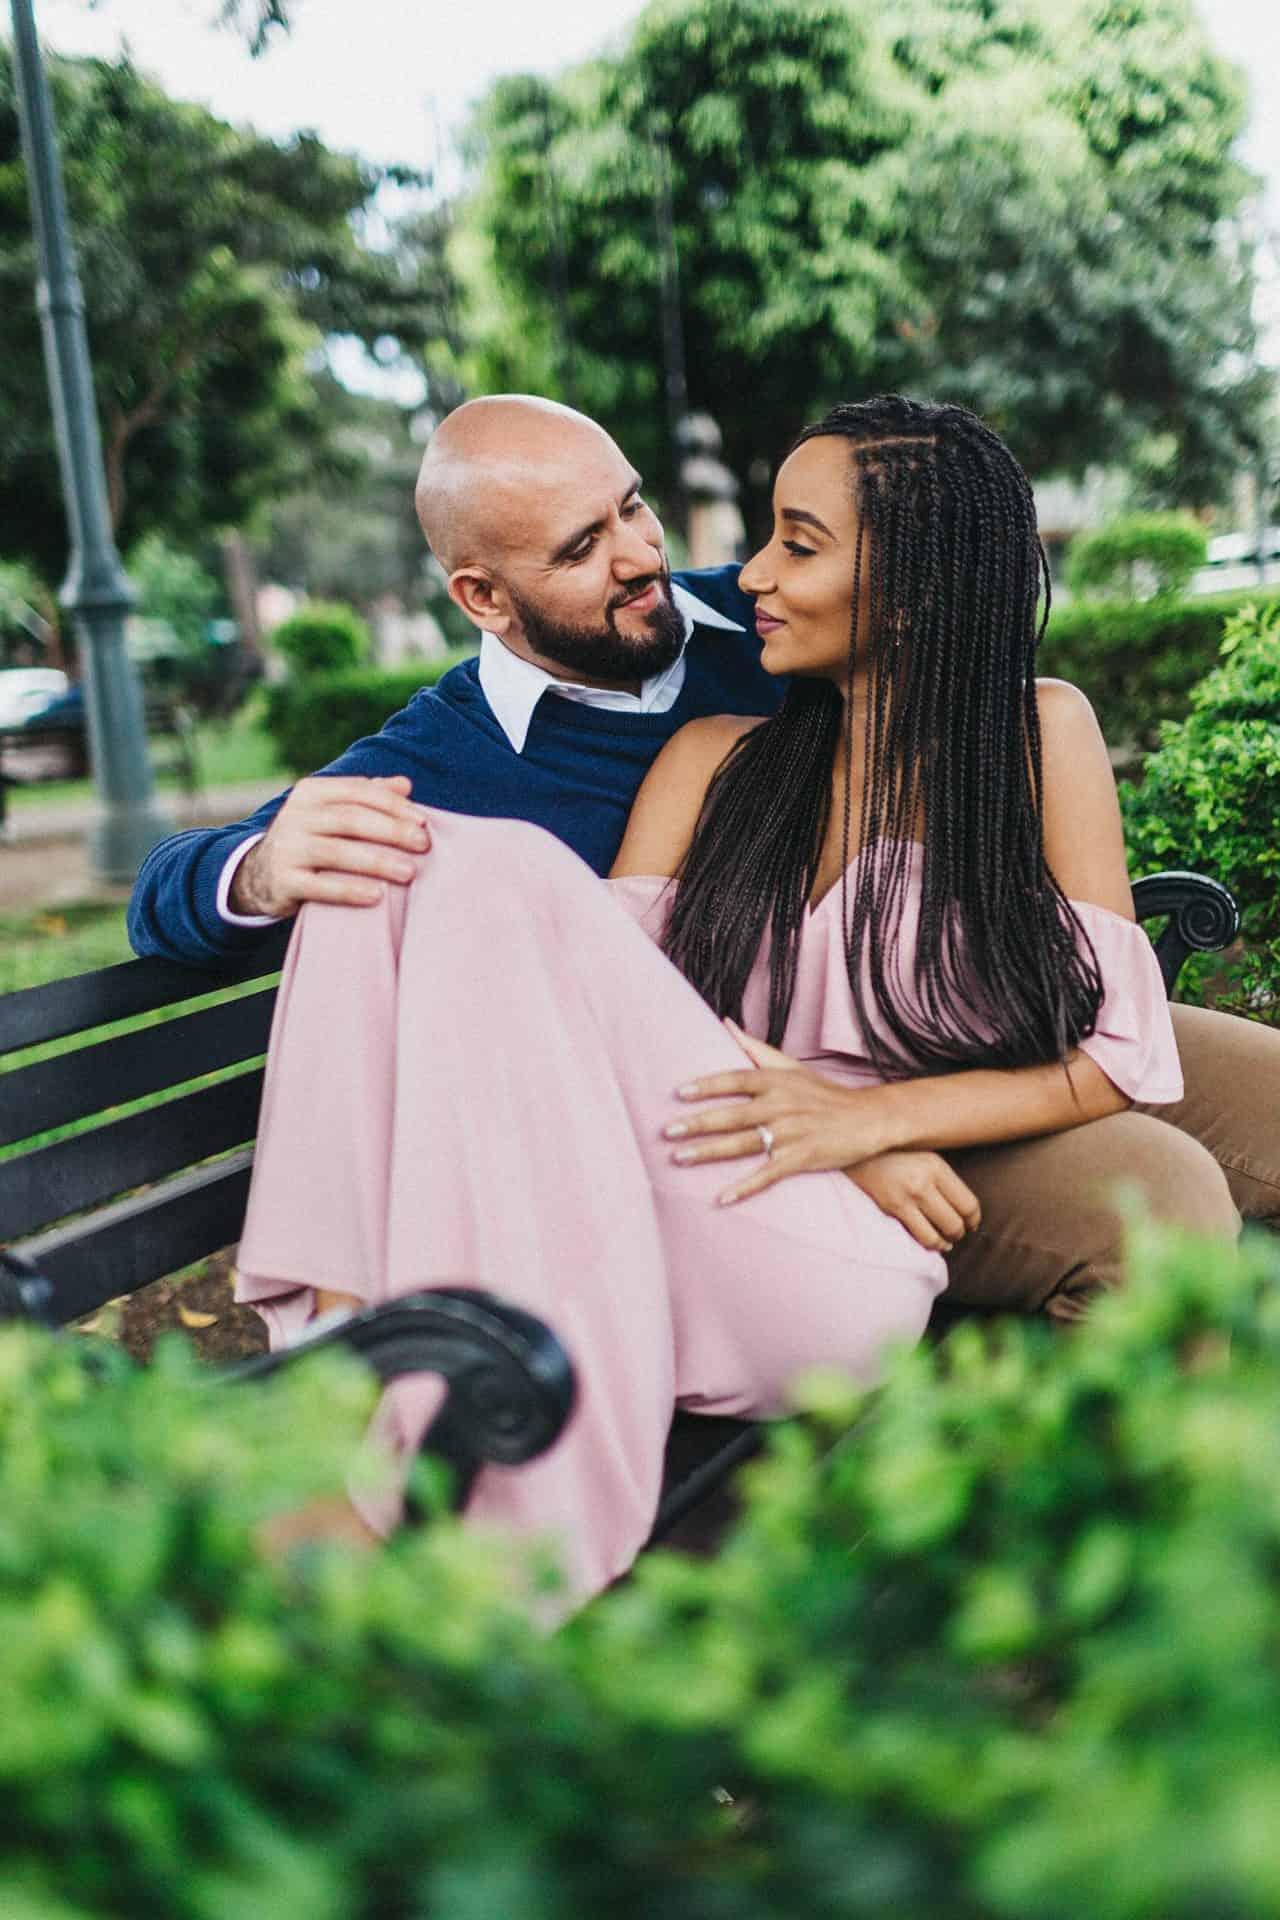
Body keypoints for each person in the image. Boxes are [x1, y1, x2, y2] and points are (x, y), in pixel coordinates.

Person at [233, 395, 1277, 1604]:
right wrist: (250, 866)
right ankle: (1075, 1583)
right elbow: (613, 989)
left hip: (965, 1057)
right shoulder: (689, 754)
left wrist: (877, 1124)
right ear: (484, 596)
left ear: (914, 586)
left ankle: (1191, 1532)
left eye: (633, 510)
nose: (725, 575)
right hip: (778, 1119)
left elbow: (1118, 1041)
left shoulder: (1026, 724)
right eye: (583, 548)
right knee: (1155, 1191)